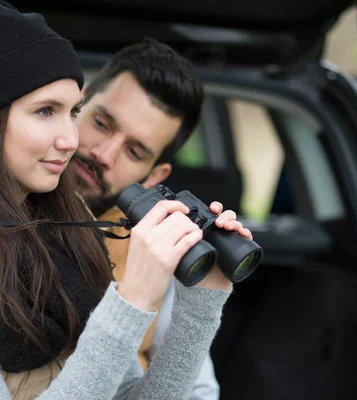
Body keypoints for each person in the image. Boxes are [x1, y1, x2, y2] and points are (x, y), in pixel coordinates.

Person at [0, 1, 252, 399]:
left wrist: (203, 300)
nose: (71, 140)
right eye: (45, 111)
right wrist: (130, 302)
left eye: (72, 112)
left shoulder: (69, 232)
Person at [72, 39, 229, 400]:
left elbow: (196, 392)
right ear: (76, 103)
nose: (103, 154)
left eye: (134, 150)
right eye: (101, 122)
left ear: (156, 176)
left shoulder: (155, 247)